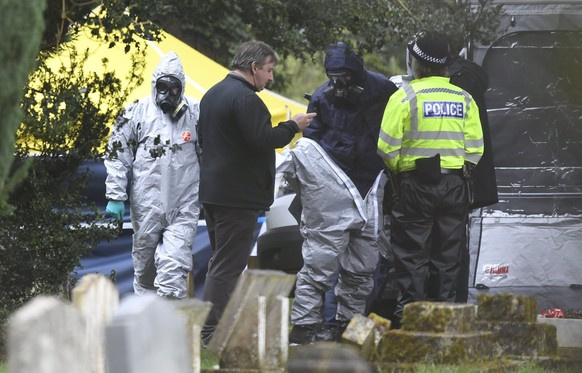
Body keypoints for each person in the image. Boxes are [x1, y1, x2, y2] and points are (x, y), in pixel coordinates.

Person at [280, 41, 398, 345]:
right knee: (319, 261)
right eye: (333, 75)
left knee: (363, 265)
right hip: (333, 186)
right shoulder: (322, 96)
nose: (339, 83)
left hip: (371, 186)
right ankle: (305, 327)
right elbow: (312, 146)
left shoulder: (384, 90)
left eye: (345, 75)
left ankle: (351, 331)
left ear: (357, 72)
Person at [197, 40, 314, 345]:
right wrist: (293, 125)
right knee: (228, 265)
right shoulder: (246, 99)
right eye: (269, 70)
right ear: (253, 68)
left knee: (221, 262)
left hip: (213, 192)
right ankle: (209, 332)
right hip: (237, 197)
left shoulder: (212, 94)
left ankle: (221, 325)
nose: (271, 77)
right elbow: (264, 139)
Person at [377, 34, 484, 328]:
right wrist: (456, 169)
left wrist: (403, 170)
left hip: (414, 186)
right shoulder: (464, 98)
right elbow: (475, 149)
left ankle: (411, 325)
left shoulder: (404, 97)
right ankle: (446, 324)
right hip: (454, 186)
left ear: (416, 62)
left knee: (412, 257)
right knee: (448, 258)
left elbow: (386, 148)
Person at [104, 51, 201, 299]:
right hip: (146, 205)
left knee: (173, 267)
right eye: (162, 87)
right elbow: (117, 153)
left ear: (182, 88)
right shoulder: (136, 112)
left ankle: (169, 330)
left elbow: (211, 153)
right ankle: (147, 327)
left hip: (184, 205)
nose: (168, 95)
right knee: (145, 273)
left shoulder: (195, 113)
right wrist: (115, 195)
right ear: (154, 85)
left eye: (174, 89)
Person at [447, 43, 499, 303]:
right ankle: (456, 305)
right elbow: (476, 144)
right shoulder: (469, 79)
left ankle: (449, 306)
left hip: (446, 179)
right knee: (458, 244)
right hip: (463, 180)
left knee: (447, 248)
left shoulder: (456, 83)